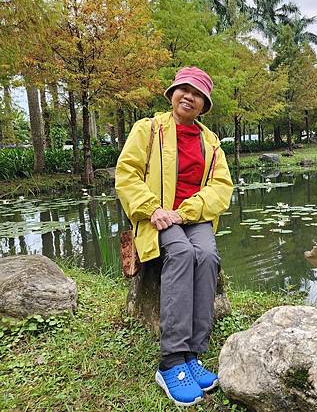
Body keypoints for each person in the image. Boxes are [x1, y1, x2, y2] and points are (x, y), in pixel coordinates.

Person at [115, 66, 234, 407]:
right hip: (157, 217)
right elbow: (127, 176)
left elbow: (220, 189)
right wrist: (154, 210)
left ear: (204, 105)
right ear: (172, 94)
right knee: (181, 253)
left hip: (191, 216)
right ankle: (171, 360)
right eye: (184, 89)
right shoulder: (148, 130)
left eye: (197, 94)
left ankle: (194, 354)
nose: (189, 97)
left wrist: (185, 211)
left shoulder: (210, 142)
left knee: (208, 256)